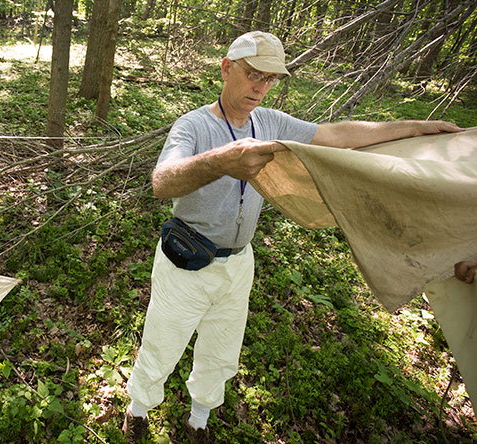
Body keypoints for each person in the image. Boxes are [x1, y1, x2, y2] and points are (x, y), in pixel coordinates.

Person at [122, 31, 463, 443]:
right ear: (227, 68)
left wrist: (412, 128)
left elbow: (335, 135)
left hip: (238, 263)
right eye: (252, 74)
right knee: (163, 344)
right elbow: (162, 182)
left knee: (221, 350)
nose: (260, 88)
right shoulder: (193, 126)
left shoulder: (269, 121)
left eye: (269, 79)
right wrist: (222, 162)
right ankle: (138, 410)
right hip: (187, 261)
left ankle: (198, 422)